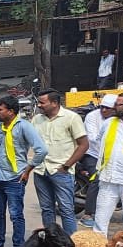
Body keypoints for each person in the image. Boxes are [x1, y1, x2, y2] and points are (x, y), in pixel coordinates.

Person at [0, 95, 48, 247]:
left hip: (15, 178)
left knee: (15, 215)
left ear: (11, 111)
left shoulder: (24, 126)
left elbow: (41, 150)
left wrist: (28, 169)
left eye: (0, 110)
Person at [33, 89, 87, 234]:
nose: (39, 105)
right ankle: (51, 241)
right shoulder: (37, 119)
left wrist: (66, 166)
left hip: (61, 172)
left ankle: (71, 245)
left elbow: (83, 145)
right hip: (40, 171)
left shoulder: (71, 118)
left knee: (66, 210)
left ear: (55, 103)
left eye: (42, 102)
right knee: (46, 209)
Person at [92, 92, 123, 236]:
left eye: (117, 104)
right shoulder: (109, 123)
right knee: (100, 222)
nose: (113, 107)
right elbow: (98, 143)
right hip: (107, 179)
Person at [80, 94, 119, 228]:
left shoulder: (121, 119)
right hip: (93, 154)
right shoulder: (92, 117)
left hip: (114, 157)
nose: (104, 110)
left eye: (107, 108)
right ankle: (88, 214)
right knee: (97, 178)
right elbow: (94, 139)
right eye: (102, 107)